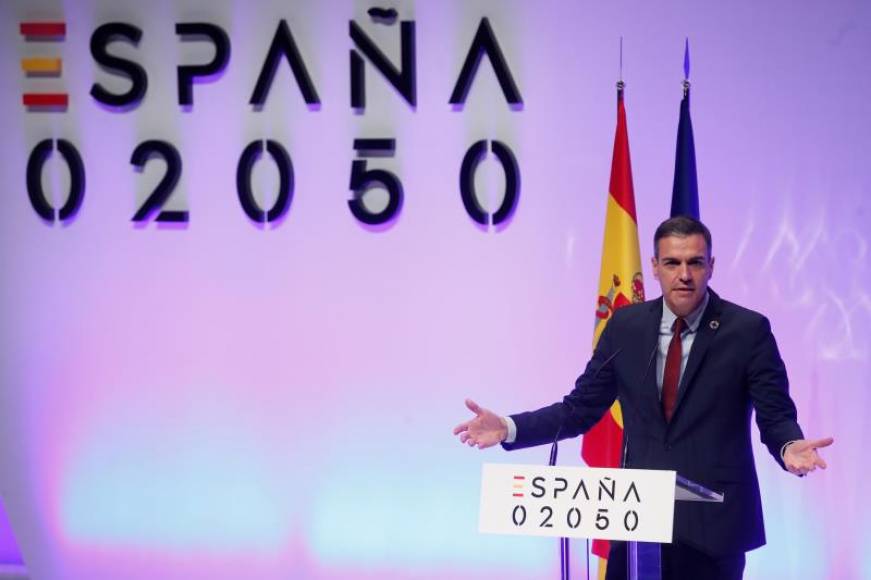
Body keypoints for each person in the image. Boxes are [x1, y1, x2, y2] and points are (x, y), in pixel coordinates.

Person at [453, 216, 833, 580]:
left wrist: (788, 445)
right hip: (636, 524)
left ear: (711, 266)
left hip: (713, 529)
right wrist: (509, 428)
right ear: (654, 267)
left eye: (695, 262)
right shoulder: (626, 326)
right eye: (672, 263)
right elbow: (580, 408)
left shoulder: (747, 330)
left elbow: (775, 413)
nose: (684, 274)